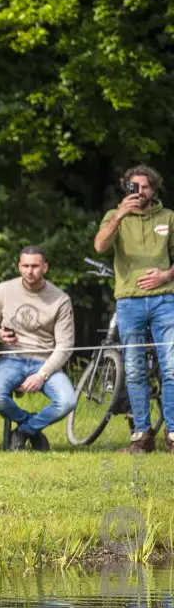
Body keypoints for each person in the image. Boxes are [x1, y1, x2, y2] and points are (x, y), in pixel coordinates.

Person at [93, 165, 174, 453]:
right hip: (129, 301)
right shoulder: (114, 216)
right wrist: (119, 216)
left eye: (146, 186)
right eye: (134, 186)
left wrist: (166, 275)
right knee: (135, 369)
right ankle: (141, 435)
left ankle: (173, 434)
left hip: (165, 300)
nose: (140, 192)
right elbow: (100, 246)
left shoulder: (168, 217)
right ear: (125, 187)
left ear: (154, 189)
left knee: (171, 366)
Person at [0, 246, 76, 451]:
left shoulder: (60, 299)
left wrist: (42, 375)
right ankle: (31, 425)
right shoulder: (4, 289)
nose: (29, 271)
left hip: (44, 361)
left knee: (67, 401)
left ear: (45, 267)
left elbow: (65, 345)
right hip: (11, 358)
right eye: (25, 266)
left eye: (35, 266)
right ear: (19, 266)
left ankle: (24, 431)